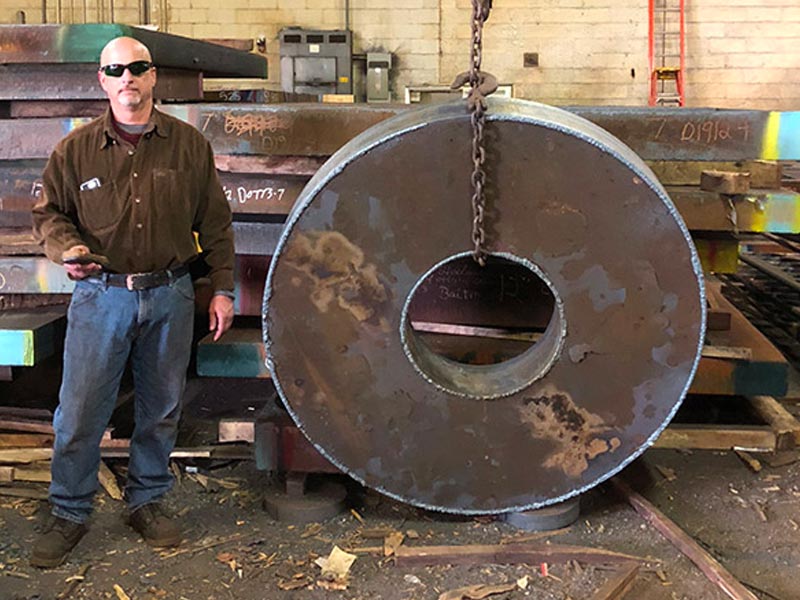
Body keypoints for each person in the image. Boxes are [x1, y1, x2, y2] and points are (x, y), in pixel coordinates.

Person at [30, 36, 235, 568]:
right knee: (78, 414)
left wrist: (223, 288)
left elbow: (215, 224)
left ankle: (147, 501)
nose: (128, 78)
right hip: (101, 298)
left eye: (138, 68)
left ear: (153, 78)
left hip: (170, 294)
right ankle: (70, 511)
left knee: (161, 409)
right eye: (116, 69)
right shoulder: (73, 152)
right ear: (102, 80)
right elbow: (49, 214)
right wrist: (65, 249)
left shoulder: (189, 146)